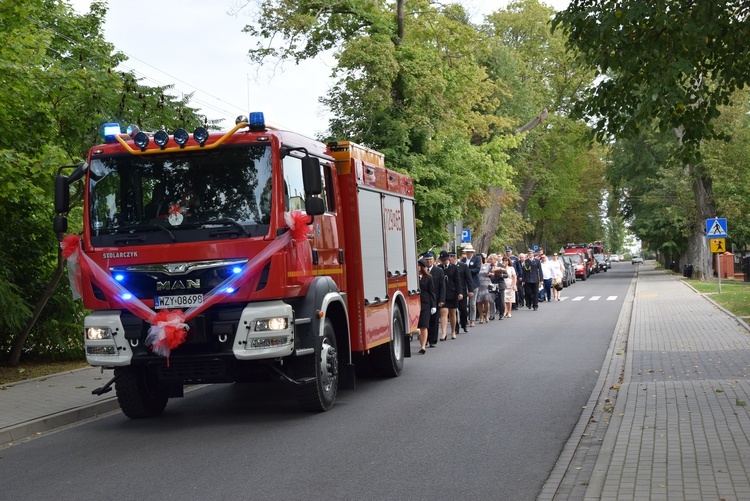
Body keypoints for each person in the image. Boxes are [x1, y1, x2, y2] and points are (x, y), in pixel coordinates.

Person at [423, 251, 445, 347]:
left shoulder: (439, 271)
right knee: (425, 320)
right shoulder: (421, 271)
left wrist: (441, 300)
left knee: (434, 320)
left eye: (430, 259)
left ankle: (432, 340)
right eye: (427, 260)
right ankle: (425, 339)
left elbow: (442, 286)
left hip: (436, 299)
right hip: (425, 300)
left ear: (433, 260)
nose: (428, 262)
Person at [439, 250, 460, 340]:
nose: (443, 262)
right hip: (443, 294)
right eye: (442, 260)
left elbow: (457, 281)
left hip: (452, 292)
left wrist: (459, 293)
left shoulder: (454, 268)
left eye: (445, 260)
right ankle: (443, 333)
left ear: (448, 259)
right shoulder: (439, 268)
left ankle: (453, 331)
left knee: (452, 313)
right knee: (443, 312)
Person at [417, 259, 436, 354]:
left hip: (426, 304)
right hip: (416, 304)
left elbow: (432, 292)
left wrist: (433, 305)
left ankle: (423, 346)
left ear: (421, 267)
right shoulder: (413, 278)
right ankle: (422, 343)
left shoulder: (428, 278)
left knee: (424, 326)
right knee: (419, 327)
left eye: (418, 266)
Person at [462, 244, 481, 327]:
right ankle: (464, 319)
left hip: (474, 283)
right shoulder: (463, 260)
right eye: (467, 252)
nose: (468, 253)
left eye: (469, 252)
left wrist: (467, 271)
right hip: (465, 283)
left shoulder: (477, 259)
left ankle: (472, 319)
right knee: (464, 303)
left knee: (472, 303)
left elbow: (477, 269)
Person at [452, 252, 471, 334]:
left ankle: (464, 324)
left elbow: (468, 278)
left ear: (455, 258)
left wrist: (470, 290)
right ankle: (455, 327)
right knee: (453, 310)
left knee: (463, 309)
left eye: (451, 259)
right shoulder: (449, 267)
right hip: (452, 291)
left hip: (462, 290)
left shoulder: (463, 266)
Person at [488, 253, 507, 320]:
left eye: (491, 259)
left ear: (495, 259)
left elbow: (506, 275)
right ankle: (492, 315)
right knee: (492, 300)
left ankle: (501, 314)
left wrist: (500, 274)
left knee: (501, 300)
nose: (490, 260)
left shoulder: (501, 265)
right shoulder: (489, 266)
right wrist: (489, 274)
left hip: (500, 284)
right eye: (489, 259)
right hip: (492, 284)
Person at [476, 255, 493, 323]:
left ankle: (486, 315)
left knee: (486, 300)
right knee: (479, 301)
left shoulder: (488, 265)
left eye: (480, 258)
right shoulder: (475, 266)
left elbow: (493, 271)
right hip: (478, 284)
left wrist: (491, 273)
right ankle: (481, 316)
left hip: (486, 284)